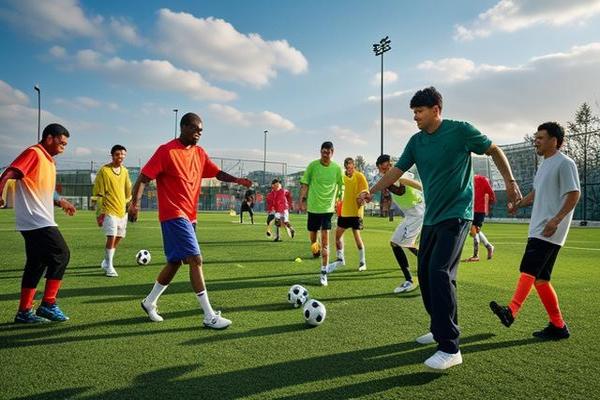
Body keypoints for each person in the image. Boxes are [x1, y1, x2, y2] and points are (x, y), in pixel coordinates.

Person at [361, 87, 521, 370]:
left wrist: (510, 182)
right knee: (426, 273)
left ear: (436, 110)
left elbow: (494, 150)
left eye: (419, 112)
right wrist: (371, 191)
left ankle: (450, 347)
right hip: (432, 218)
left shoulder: (460, 131)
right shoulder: (416, 142)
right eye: (414, 112)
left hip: (457, 214)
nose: (415, 117)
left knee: (439, 272)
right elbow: (395, 172)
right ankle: (439, 329)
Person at [128, 112, 252, 329]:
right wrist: (135, 203)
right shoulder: (166, 151)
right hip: (173, 214)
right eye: (194, 129)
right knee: (195, 259)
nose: (198, 134)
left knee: (175, 262)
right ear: (183, 127)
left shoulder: (199, 153)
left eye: (201, 131)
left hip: (190, 216)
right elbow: (144, 177)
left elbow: (216, 173)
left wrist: (237, 180)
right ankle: (209, 315)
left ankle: (149, 302)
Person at [490, 122, 580, 340]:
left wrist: (556, 220)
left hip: (548, 229)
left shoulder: (565, 163)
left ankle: (511, 311)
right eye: (535, 137)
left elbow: (574, 194)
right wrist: (518, 204)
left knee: (528, 269)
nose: (536, 142)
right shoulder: (544, 165)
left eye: (540, 138)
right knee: (540, 279)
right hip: (540, 227)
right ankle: (558, 326)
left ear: (554, 141)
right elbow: (537, 193)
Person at [0, 123, 76, 323]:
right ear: (49, 138)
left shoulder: (49, 161)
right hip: (36, 219)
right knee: (61, 255)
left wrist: (61, 201)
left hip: (34, 221)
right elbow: (10, 172)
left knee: (37, 263)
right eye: (61, 143)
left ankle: (24, 312)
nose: (63, 147)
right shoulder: (34, 153)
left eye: (65, 144)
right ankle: (48, 304)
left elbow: (45, 188)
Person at [375, 155, 424, 294]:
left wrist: (429, 190)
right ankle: (429, 265)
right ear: (379, 169)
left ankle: (412, 279)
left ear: (392, 165)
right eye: (383, 169)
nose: (386, 171)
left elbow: (418, 185)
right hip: (411, 214)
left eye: (388, 167)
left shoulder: (400, 175)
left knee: (401, 243)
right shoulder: (386, 180)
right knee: (398, 243)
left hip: (417, 212)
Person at [298, 141, 343, 286]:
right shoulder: (313, 166)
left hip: (327, 210)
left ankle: (323, 272)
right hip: (313, 208)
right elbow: (305, 184)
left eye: (328, 152)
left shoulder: (337, 169)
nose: (325, 155)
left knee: (325, 242)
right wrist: (302, 200)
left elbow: (341, 185)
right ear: (320, 152)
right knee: (313, 239)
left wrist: (339, 199)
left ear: (332, 153)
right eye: (323, 152)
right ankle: (315, 248)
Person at [92, 144, 132, 277]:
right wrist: (99, 212)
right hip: (108, 209)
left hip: (122, 209)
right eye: (117, 154)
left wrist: (129, 205)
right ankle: (109, 266)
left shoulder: (125, 171)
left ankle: (106, 261)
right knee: (111, 236)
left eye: (123, 154)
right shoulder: (104, 171)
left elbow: (128, 191)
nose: (120, 157)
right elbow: (98, 192)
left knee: (119, 236)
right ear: (112, 155)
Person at [326, 157, 369, 275]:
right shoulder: (342, 177)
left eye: (350, 167)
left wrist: (363, 198)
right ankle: (340, 259)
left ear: (354, 166)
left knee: (357, 238)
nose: (349, 169)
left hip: (356, 213)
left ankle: (362, 262)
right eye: (347, 167)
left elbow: (366, 190)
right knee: (337, 236)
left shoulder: (359, 176)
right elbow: (338, 191)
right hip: (344, 212)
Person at [464, 174, 496, 262]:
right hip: (477, 209)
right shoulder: (482, 179)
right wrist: (491, 202)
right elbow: (491, 193)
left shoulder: (467, 178)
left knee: (474, 229)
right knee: (475, 230)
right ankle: (489, 247)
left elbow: (491, 193)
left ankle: (476, 255)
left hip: (475, 209)